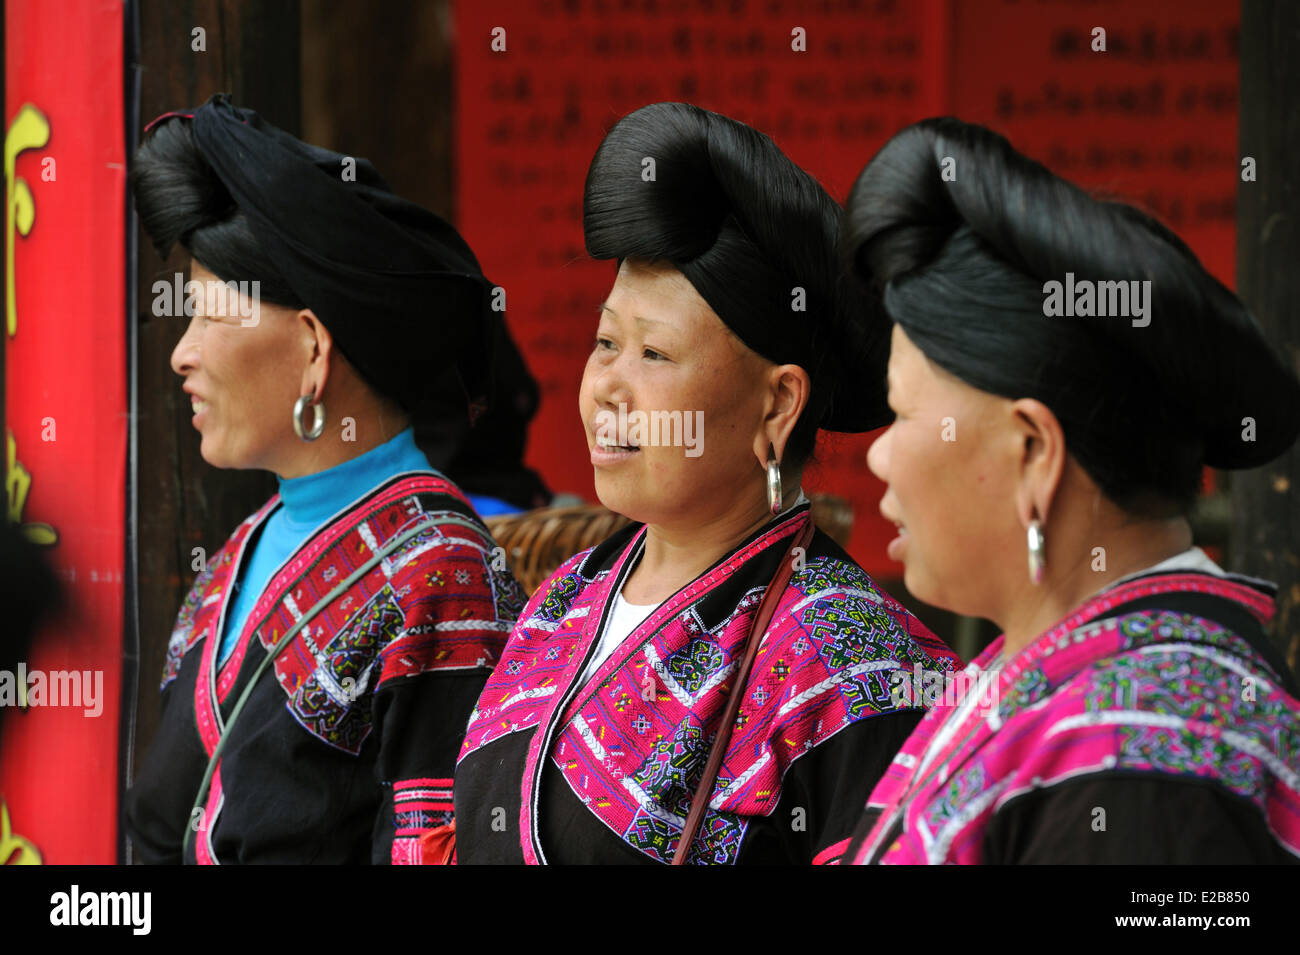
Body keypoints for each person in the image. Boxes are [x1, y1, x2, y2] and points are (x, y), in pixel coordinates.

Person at [452, 102, 961, 865]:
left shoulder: (861, 670)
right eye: (605, 342)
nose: (608, 388)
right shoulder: (561, 601)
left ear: (778, 403)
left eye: (654, 354)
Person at [840, 117, 1300, 864]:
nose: (880, 457)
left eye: (900, 412)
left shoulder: (1144, 760)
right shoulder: (1043, 675)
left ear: (1033, 452)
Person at [124, 95, 526, 864]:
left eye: (209, 316)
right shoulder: (236, 556)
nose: (182, 353)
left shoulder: (443, 575)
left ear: (312, 348)